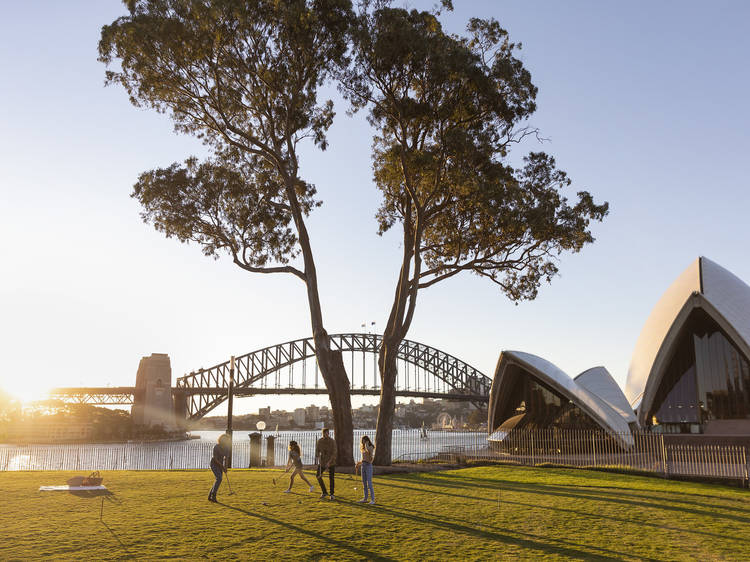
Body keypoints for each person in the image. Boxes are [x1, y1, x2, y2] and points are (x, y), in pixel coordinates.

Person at [314, 428, 336, 500]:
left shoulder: (332, 442)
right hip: (322, 462)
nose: (325, 435)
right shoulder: (320, 441)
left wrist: (329, 462)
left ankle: (332, 494)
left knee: (331, 478)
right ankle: (324, 492)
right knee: (318, 476)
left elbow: (334, 453)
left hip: (331, 462)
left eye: (327, 433)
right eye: (324, 433)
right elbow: (317, 451)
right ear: (322, 433)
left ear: (328, 433)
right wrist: (318, 456)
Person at [208, 433, 231, 502]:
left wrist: (226, 467)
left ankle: (210, 495)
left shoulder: (227, 448)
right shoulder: (216, 447)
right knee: (219, 478)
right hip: (214, 464)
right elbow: (215, 458)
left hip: (220, 464)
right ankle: (213, 496)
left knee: (218, 479)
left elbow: (226, 458)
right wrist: (222, 466)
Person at [357, 435, 376, 505]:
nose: (362, 442)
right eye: (362, 440)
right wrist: (358, 464)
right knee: (364, 483)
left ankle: (373, 500)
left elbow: (370, 454)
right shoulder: (363, 448)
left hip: (368, 465)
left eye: (364, 440)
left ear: (367, 440)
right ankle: (365, 498)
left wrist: (367, 444)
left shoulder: (370, 447)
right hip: (363, 465)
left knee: (369, 483)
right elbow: (363, 459)